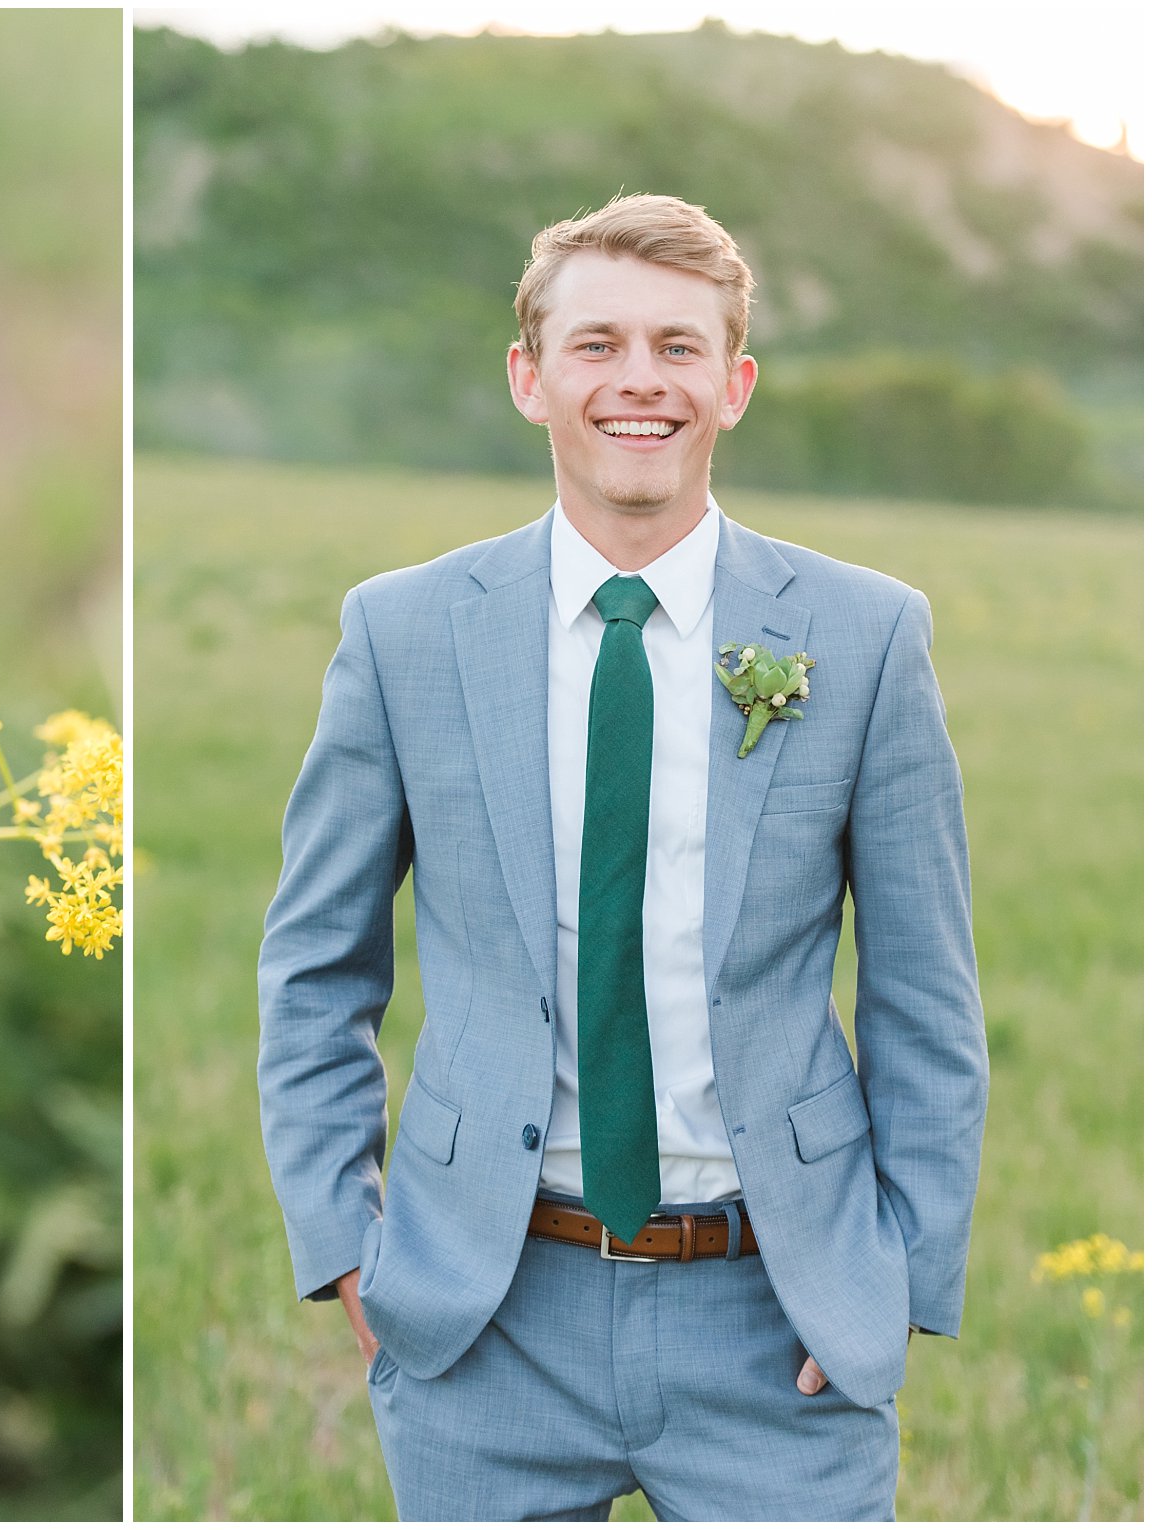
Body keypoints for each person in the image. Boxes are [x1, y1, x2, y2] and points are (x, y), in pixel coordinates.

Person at [257, 193, 987, 1521]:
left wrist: (895, 1281)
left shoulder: (868, 637)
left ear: (735, 384)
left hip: (777, 1319)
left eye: (678, 346)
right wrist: (350, 1252)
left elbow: (928, 998)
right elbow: (315, 967)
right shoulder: (402, 634)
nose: (638, 380)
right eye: (596, 346)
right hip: (489, 1311)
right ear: (530, 380)